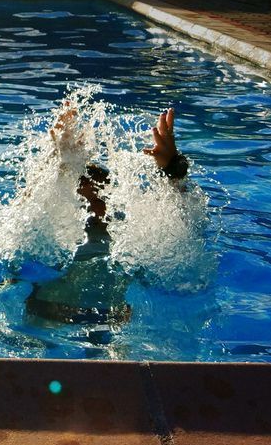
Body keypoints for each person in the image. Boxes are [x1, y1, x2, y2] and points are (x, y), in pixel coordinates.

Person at [25, 105, 190, 325]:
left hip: (116, 317)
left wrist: (172, 169)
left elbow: (180, 222)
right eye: (81, 200)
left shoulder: (130, 234)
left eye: (98, 199)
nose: (90, 208)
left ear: (113, 201)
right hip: (50, 312)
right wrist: (53, 160)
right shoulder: (52, 236)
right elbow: (26, 218)